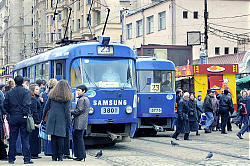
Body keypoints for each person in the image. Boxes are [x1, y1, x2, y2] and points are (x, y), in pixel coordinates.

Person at [3, 75, 33, 164]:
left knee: (13, 138)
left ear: (15, 82)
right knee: (25, 138)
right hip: (23, 117)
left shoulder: (9, 93)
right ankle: (27, 158)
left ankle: (11, 158)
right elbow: (27, 104)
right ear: (23, 82)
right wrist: (25, 114)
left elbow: (5, 105)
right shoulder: (26, 92)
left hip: (13, 117)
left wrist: (10, 113)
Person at [42, 80, 72, 161]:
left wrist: (43, 118)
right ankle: (60, 156)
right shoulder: (67, 97)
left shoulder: (52, 95)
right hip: (61, 119)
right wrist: (69, 123)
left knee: (53, 137)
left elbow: (46, 107)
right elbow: (67, 112)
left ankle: (54, 156)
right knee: (61, 137)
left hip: (52, 118)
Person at [71, 84, 90, 161]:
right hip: (83, 121)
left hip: (79, 122)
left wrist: (70, 112)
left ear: (83, 91)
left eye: (79, 90)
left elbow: (79, 110)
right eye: (77, 90)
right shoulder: (86, 99)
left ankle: (80, 156)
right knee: (79, 138)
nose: (77, 92)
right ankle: (81, 155)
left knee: (78, 138)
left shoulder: (81, 99)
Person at [41, 78, 57, 156]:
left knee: (47, 132)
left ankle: (47, 150)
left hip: (47, 115)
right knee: (53, 133)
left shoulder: (45, 93)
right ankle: (52, 150)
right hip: (54, 114)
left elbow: (44, 105)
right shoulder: (56, 93)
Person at [29, 84, 42, 159]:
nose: (38, 90)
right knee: (33, 137)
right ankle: (33, 153)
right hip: (35, 121)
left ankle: (35, 153)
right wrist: (37, 122)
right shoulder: (33, 99)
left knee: (36, 137)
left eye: (38, 89)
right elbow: (34, 111)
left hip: (35, 120)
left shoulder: (36, 98)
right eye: (36, 89)